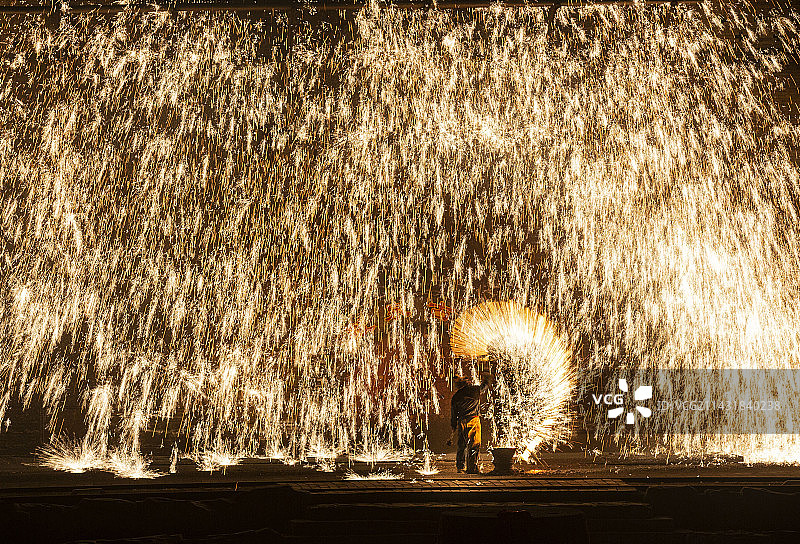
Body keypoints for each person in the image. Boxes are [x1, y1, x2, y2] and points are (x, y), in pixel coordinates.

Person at [448, 372, 491, 474]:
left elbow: (454, 414)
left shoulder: (456, 396)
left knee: (462, 445)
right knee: (474, 444)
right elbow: (484, 387)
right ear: (465, 383)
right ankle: (472, 468)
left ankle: (460, 467)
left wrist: (453, 427)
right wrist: (486, 378)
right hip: (474, 420)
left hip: (462, 421)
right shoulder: (474, 390)